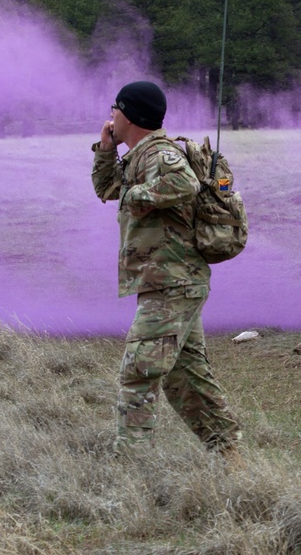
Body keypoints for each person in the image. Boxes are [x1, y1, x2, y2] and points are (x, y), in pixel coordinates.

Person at [91, 80, 242, 462]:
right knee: (184, 376)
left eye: (115, 108)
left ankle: (132, 469)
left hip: (173, 282)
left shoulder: (160, 153)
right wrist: (107, 151)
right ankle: (231, 458)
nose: (110, 114)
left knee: (139, 370)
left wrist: (135, 196)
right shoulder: (138, 155)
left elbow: (184, 184)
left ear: (130, 114)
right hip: (171, 283)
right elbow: (106, 188)